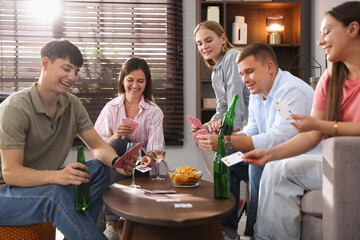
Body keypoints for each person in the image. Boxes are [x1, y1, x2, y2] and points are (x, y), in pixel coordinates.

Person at [242, 2, 360, 239]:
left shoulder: (290, 89)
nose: (320, 41)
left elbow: (317, 128)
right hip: (337, 160)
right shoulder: (331, 78)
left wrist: (322, 125)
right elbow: (310, 135)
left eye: (327, 31)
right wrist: (270, 154)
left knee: (281, 170)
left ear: (352, 29)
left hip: (349, 159)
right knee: (275, 167)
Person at [0, 39, 136, 239]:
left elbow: (98, 146)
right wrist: (57, 176)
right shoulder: (15, 108)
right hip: (7, 194)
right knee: (54, 195)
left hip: (44, 185)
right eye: (66, 69)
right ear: (45, 64)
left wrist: (117, 162)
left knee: (101, 169)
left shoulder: (72, 104)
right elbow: (11, 173)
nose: (72, 77)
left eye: (76, 71)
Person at [198, 43, 320, 239]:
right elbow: (252, 130)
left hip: (298, 157)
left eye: (249, 71)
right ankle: (227, 229)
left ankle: (254, 232)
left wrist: (226, 141)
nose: (245, 79)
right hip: (273, 153)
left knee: (257, 162)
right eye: (241, 74)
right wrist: (221, 141)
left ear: (269, 67)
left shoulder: (289, 91)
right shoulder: (258, 94)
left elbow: (278, 139)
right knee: (226, 159)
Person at [94, 57, 168, 239]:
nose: (135, 85)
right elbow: (97, 145)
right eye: (130, 80)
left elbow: (156, 149)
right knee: (115, 144)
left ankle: (110, 225)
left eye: (140, 81)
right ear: (122, 80)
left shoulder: (154, 111)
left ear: (146, 83)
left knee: (120, 148)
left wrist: (148, 158)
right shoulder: (111, 108)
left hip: (142, 167)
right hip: (116, 166)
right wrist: (116, 135)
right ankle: (114, 225)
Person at [194, 21, 250, 240]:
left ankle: (227, 226)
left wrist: (225, 133)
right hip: (238, 129)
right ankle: (226, 222)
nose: (204, 47)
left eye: (209, 40)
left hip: (247, 129)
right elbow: (222, 109)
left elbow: (236, 107)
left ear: (223, 38)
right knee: (217, 153)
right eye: (199, 43)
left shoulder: (233, 58)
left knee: (224, 158)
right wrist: (206, 126)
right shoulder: (216, 69)